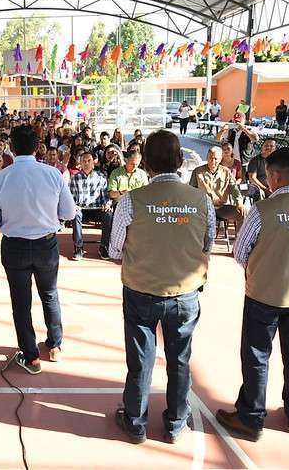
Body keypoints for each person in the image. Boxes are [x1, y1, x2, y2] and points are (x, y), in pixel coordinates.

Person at [216, 147, 289, 441]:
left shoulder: (262, 210)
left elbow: (240, 252)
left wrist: (262, 266)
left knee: (256, 356)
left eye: (268, 175)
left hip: (264, 295)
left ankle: (251, 417)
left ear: (276, 176)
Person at [109, 130, 215, 444]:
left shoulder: (131, 200)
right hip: (185, 293)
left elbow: (115, 251)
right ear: (180, 161)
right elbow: (206, 244)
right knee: (180, 358)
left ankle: (136, 421)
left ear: (148, 165)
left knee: (140, 359)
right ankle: (175, 423)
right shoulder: (201, 200)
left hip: (141, 290)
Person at [0, 125, 76, 374]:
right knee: (50, 294)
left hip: (14, 247)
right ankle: (55, 345)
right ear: (37, 147)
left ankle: (31, 357)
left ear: (11, 148)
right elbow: (68, 212)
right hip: (46, 244)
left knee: (21, 302)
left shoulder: (0, 178)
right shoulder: (53, 174)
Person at [69, 151, 113, 260]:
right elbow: (71, 198)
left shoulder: (101, 177)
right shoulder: (75, 178)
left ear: (93, 163)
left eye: (89, 160)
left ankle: (104, 246)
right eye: (84, 161)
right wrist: (74, 206)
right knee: (75, 214)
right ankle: (78, 247)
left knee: (109, 214)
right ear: (80, 163)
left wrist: (107, 204)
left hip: (97, 209)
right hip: (82, 209)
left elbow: (106, 196)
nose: (86, 163)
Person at [189, 146, 246, 222]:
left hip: (221, 207)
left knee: (243, 213)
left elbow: (234, 189)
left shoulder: (226, 172)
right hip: (203, 208)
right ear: (207, 158)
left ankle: (240, 234)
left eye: (215, 159)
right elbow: (191, 191)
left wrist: (239, 203)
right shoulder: (197, 171)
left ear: (220, 159)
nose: (213, 161)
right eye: (210, 158)